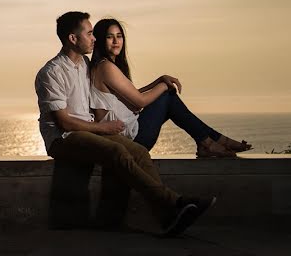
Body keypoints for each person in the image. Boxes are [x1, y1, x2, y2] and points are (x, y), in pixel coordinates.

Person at [35, 11, 215, 235]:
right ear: (73, 39)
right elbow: (64, 123)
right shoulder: (51, 72)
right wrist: (102, 128)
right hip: (64, 139)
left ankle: (168, 218)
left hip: (88, 131)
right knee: (116, 151)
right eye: (90, 34)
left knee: (139, 152)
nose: (94, 39)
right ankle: (174, 202)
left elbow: (123, 94)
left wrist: (156, 82)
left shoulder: (85, 65)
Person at [89, 18, 251, 158]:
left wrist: (158, 81)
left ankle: (210, 141)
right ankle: (211, 142)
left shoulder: (104, 66)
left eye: (119, 36)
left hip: (128, 135)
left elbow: (131, 95)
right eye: (110, 37)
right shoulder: (106, 67)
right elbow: (139, 102)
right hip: (130, 140)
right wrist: (164, 86)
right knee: (167, 97)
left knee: (168, 98)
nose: (116, 41)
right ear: (100, 40)